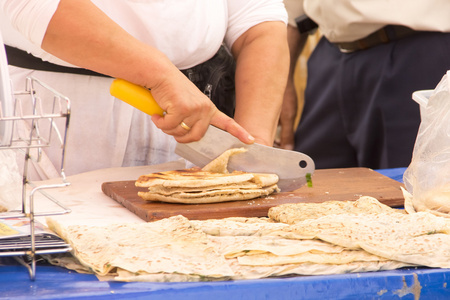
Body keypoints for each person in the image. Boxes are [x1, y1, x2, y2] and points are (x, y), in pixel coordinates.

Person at [1, 0, 289, 179]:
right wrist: (161, 77)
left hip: (190, 119)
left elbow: (258, 21)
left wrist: (254, 145)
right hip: (50, 120)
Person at [284, 1, 450, 169]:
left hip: (417, 55)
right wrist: (283, 79)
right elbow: (290, 11)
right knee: (310, 183)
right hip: (330, 56)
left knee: (410, 186)